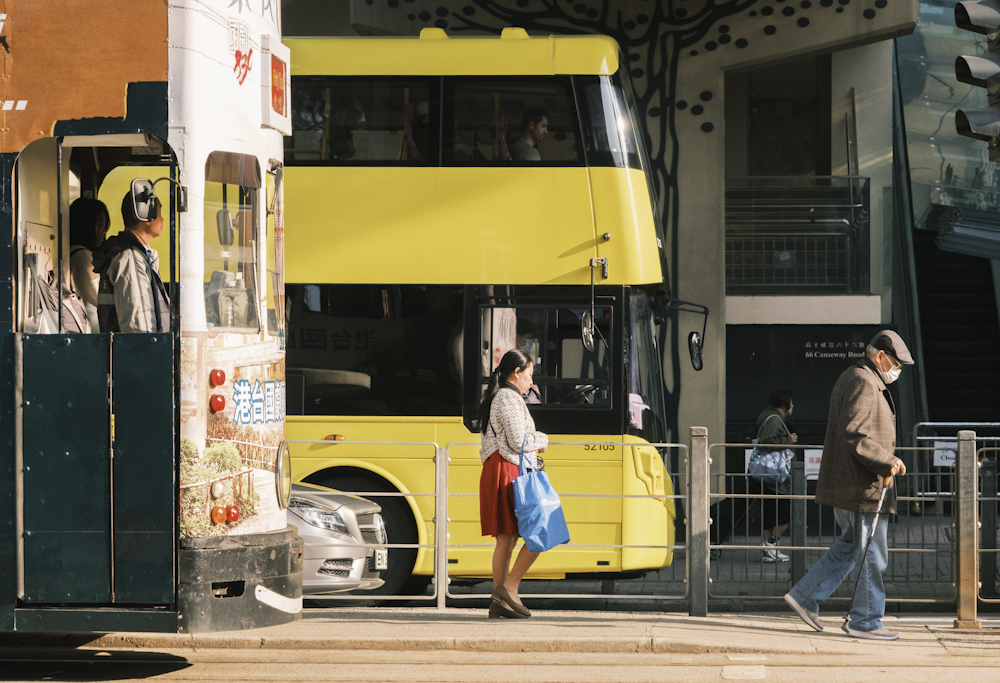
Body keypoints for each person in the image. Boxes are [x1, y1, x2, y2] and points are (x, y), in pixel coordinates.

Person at [784, 330, 911, 641]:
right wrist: (887, 460)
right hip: (860, 487)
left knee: (853, 547)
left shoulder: (860, 378)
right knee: (871, 553)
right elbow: (855, 433)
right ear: (880, 356)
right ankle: (865, 621)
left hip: (855, 484)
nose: (897, 370)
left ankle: (805, 596)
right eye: (896, 363)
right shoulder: (863, 381)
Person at [478, 349, 548, 619]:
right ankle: (510, 588)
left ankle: (500, 599)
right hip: (510, 471)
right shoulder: (509, 398)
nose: (531, 382)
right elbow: (520, 441)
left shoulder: (499, 396)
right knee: (540, 531)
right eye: (529, 375)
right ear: (516, 372)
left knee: (506, 540)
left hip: (502, 470)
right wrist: (543, 440)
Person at [92, 187, 171, 333]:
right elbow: (139, 325)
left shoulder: (140, 255)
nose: (162, 219)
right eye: (159, 213)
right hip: (141, 351)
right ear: (146, 215)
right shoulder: (131, 258)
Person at [752, 389, 798, 562]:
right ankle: (771, 545)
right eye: (791, 402)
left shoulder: (769, 417)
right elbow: (767, 442)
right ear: (783, 404)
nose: (793, 405)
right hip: (776, 476)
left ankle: (769, 551)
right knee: (786, 516)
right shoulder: (775, 420)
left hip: (770, 476)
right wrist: (788, 441)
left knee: (771, 516)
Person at [69, 197, 110, 332]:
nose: (104, 231)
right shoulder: (84, 256)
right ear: (86, 225)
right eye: (100, 225)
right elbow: (100, 296)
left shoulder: (72, 251)